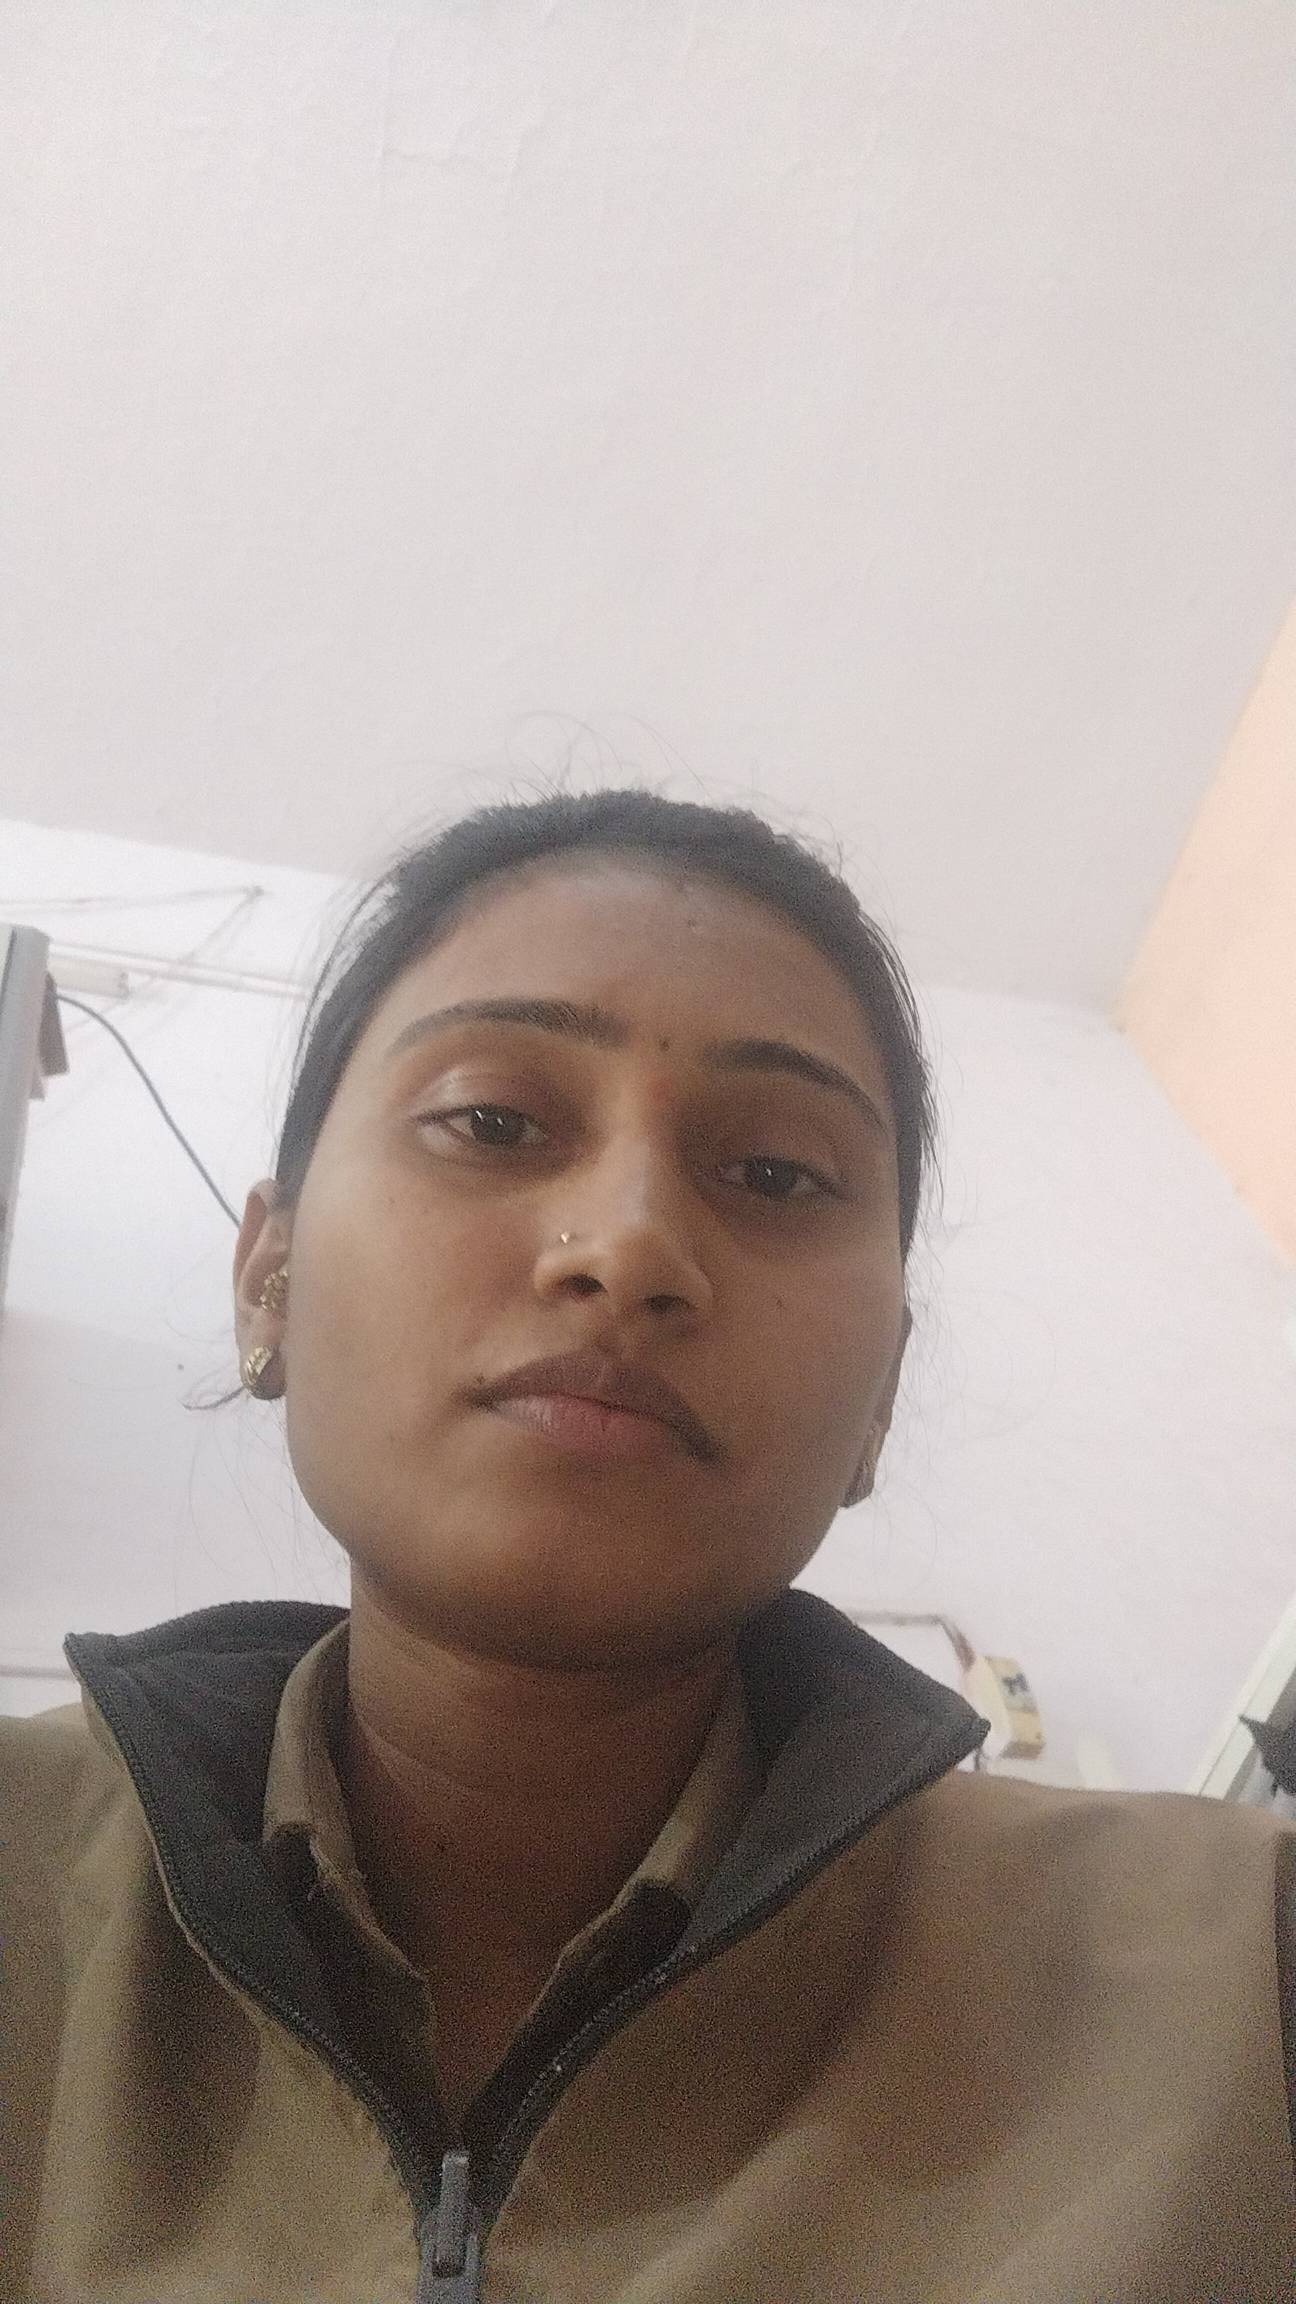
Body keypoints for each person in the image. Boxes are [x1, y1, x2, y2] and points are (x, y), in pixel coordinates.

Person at [2, 787, 1293, 2304]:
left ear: (879, 1398)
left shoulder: (1235, 1988)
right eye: (491, 1121)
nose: (625, 1247)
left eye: (775, 1174)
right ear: (268, 1275)